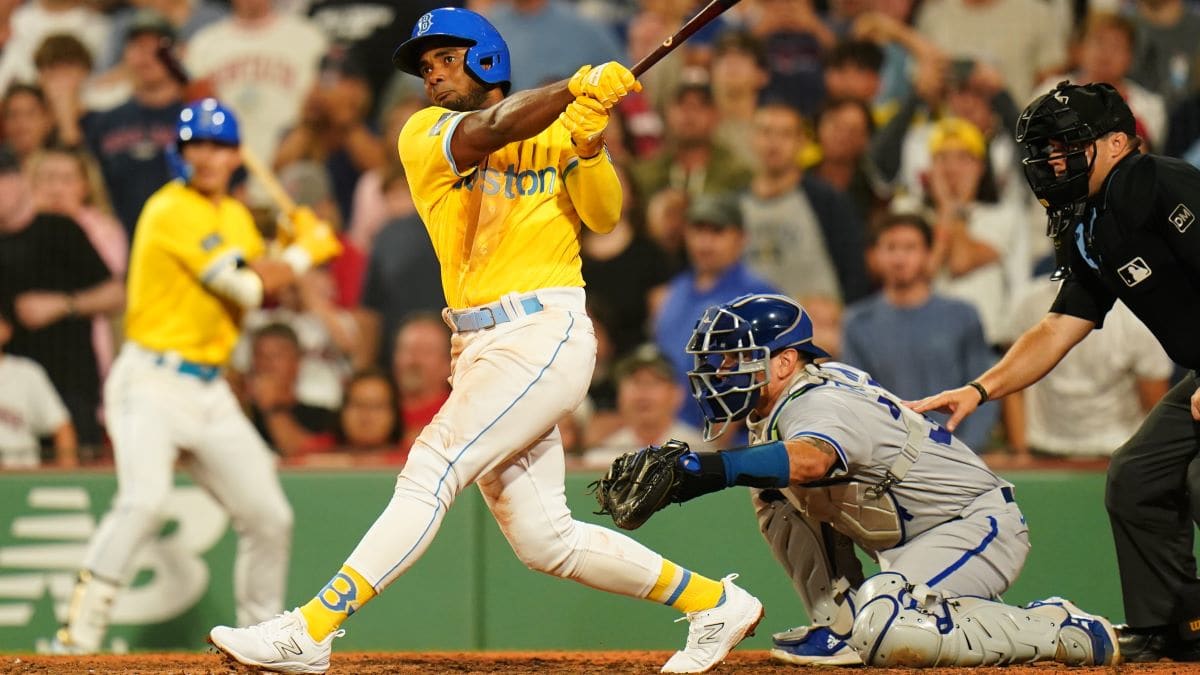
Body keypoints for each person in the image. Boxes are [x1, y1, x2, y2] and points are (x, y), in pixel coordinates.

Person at [208, 8, 764, 675]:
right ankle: (715, 603)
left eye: (446, 58)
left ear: (488, 60)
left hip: (543, 330)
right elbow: (492, 129)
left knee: (432, 465)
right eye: (426, 66)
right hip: (477, 345)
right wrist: (575, 89)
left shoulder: (559, 125)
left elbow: (606, 214)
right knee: (545, 539)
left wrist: (587, 143)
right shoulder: (426, 132)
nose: (433, 75)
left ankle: (312, 628)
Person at [597, 293, 1119, 668]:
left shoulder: (819, 399)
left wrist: (710, 469)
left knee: (889, 629)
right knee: (771, 487)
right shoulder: (779, 402)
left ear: (783, 362)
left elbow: (814, 460)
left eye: (736, 359)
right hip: (910, 531)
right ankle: (840, 626)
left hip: (975, 524)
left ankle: (1056, 628)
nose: (722, 371)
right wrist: (715, 471)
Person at [910, 81, 1200, 662]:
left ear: (1119, 142)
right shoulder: (1090, 223)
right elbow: (1059, 324)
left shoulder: (1162, 183)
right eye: (1046, 150)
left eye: (1067, 146)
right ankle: (1176, 625)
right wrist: (979, 388)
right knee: (1137, 480)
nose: (1054, 161)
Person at [52, 98, 342, 654]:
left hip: (209, 388)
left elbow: (261, 282)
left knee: (268, 515)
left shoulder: (232, 216)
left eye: (216, 145)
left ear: (236, 154)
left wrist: (284, 243)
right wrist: (304, 253)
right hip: (151, 381)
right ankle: (78, 635)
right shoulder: (171, 209)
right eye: (194, 146)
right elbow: (246, 287)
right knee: (144, 501)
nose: (204, 156)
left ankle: (261, 639)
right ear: (179, 153)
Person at [842, 213, 998, 452]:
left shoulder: (962, 315)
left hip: (959, 455)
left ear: (928, 253)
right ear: (875, 255)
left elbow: (984, 390)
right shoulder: (858, 323)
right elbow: (856, 400)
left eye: (910, 247)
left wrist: (964, 451)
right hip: (886, 459)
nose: (899, 257)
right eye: (891, 247)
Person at [0, 304, 77, 469]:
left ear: (6, 329)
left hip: (20, 480)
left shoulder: (26, 373)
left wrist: (67, 478)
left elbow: (61, 428)